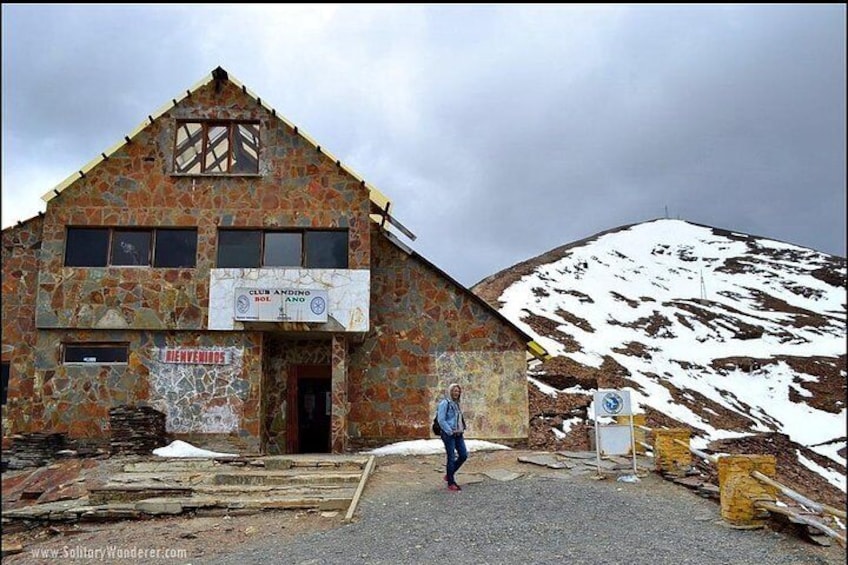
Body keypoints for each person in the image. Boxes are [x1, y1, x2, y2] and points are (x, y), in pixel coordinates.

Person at [437, 382, 468, 491]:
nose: (457, 393)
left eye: (458, 391)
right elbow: (441, 419)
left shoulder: (456, 404)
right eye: (455, 391)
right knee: (451, 457)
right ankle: (451, 482)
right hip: (449, 434)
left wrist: (461, 428)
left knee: (463, 455)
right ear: (450, 392)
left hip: (458, 433)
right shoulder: (445, 403)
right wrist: (450, 431)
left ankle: (449, 474)